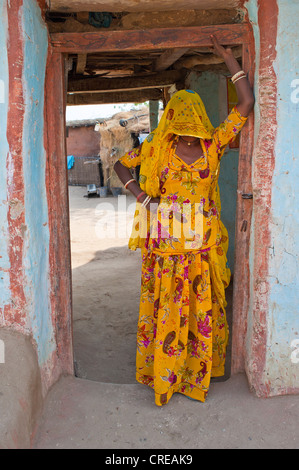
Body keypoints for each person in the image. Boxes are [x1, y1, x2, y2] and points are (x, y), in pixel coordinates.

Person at [114, 35, 254, 406]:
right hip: (163, 242)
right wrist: (141, 195)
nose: (188, 119)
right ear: (173, 114)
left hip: (200, 243)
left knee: (198, 308)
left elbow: (246, 103)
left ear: (199, 115)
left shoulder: (214, 144)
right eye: (181, 111)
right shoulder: (156, 147)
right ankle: (163, 373)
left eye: (192, 112)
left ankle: (192, 375)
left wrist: (228, 59)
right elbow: (119, 163)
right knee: (166, 307)